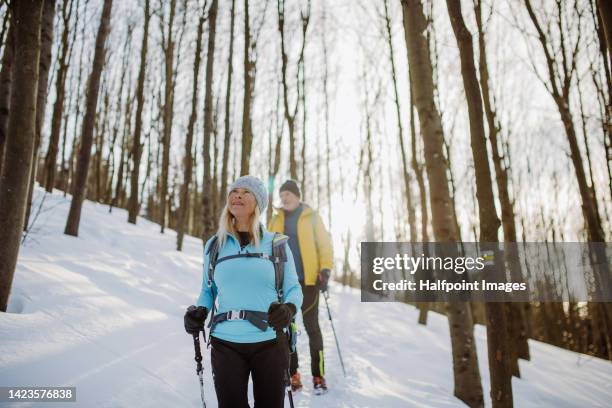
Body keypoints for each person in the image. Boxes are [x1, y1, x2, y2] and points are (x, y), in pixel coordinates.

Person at [184, 175, 303, 408]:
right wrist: (199, 311)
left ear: (258, 202)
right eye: (234, 191)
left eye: (245, 192)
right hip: (225, 343)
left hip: (270, 341)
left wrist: (288, 308)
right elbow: (208, 290)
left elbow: (293, 288)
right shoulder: (214, 245)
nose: (237, 195)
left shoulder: (276, 243)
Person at [268, 179, 334, 395]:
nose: (284, 198)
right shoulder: (276, 219)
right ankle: (292, 374)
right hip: (284, 284)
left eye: (288, 194)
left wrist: (325, 270)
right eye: (282, 194)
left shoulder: (311, 217)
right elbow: (267, 245)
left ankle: (318, 374)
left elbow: (324, 244)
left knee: (312, 328)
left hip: (308, 282)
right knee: (288, 329)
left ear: (297, 196)